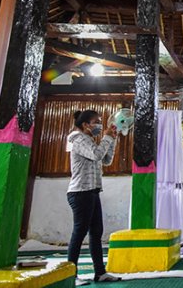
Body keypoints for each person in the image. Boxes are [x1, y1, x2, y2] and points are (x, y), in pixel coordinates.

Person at [66, 110, 121, 285]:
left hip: (92, 191)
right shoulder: (77, 139)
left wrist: (112, 139)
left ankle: (100, 273)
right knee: (79, 233)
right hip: (80, 192)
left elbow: (106, 160)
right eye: (96, 121)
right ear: (85, 125)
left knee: (96, 232)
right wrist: (106, 138)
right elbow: (97, 154)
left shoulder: (90, 140)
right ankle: (70, 275)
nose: (99, 125)